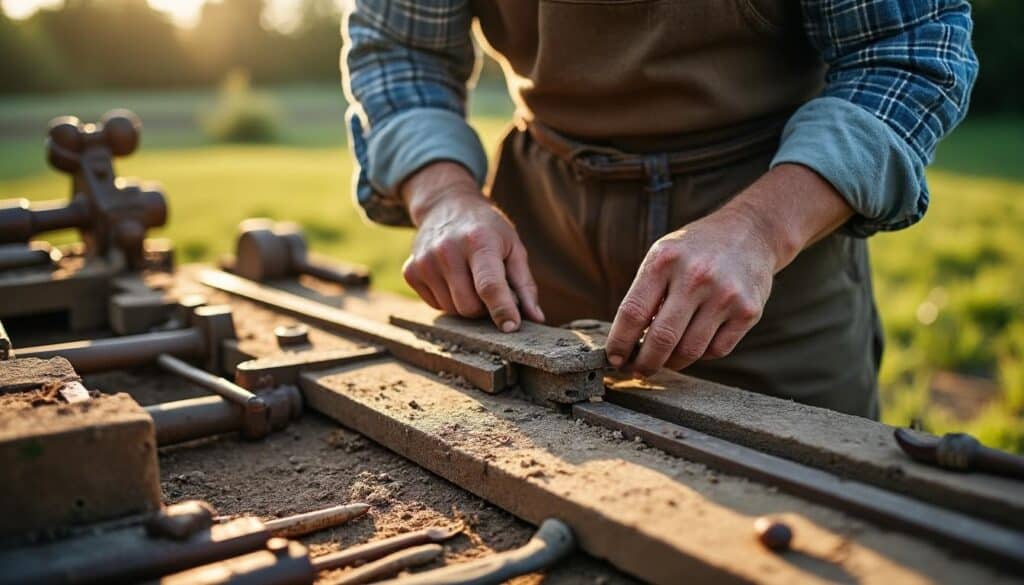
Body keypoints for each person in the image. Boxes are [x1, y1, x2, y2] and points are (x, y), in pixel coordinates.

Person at [341, 1, 977, 418]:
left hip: (770, 241)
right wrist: (445, 197)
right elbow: (400, 49)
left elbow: (906, 51)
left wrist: (760, 229)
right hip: (535, 242)